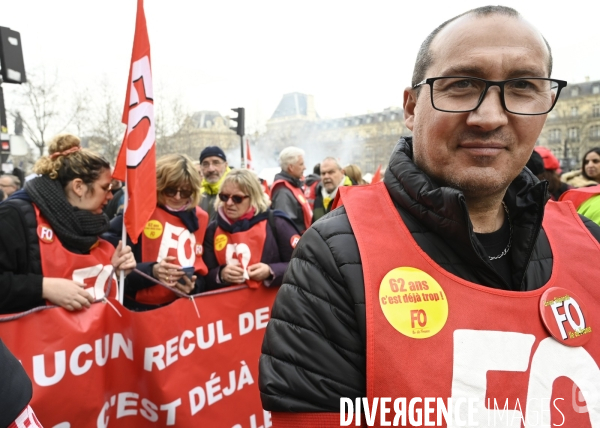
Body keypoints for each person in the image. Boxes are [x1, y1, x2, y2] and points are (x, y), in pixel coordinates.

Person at [259, 6, 600, 426]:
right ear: (411, 106)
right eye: (460, 85)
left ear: (547, 104)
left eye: (523, 86)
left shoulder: (590, 242)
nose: (490, 116)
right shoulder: (335, 253)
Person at [0, 133, 135, 314]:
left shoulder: (88, 221)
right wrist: (44, 288)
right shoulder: (14, 215)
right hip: (27, 338)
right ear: (78, 187)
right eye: (105, 188)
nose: (110, 196)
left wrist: (111, 271)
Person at [105, 154, 208, 311]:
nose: (178, 197)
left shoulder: (200, 217)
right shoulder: (140, 211)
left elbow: (203, 269)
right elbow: (112, 265)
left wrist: (193, 287)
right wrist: (151, 271)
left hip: (180, 308)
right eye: (171, 190)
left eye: (185, 192)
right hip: (139, 309)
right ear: (159, 186)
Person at [203, 169, 300, 290]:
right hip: (232, 306)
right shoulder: (213, 229)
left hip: (271, 304)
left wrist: (271, 271)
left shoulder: (276, 223)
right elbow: (204, 275)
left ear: (254, 197)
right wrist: (220, 274)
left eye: (237, 198)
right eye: (224, 197)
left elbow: (301, 265)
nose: (229, 203)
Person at [270, 146, 312, 233]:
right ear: (291, 167)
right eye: (301, 164)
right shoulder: (283, 191)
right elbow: (285, 227)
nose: (305, 167)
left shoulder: (293, 185)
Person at [312, 157, 352, 223]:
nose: (326, 176)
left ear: (342, 172)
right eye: (323, 173)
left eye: (331, 172)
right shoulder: (318, 196)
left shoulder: (353, 194)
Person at [199, 146, 230, 222]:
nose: (211, 169)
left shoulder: (237, 193)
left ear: (225, 165)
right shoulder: (197, 196)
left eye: (216, 163)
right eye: (205, 164)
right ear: (201, 168)